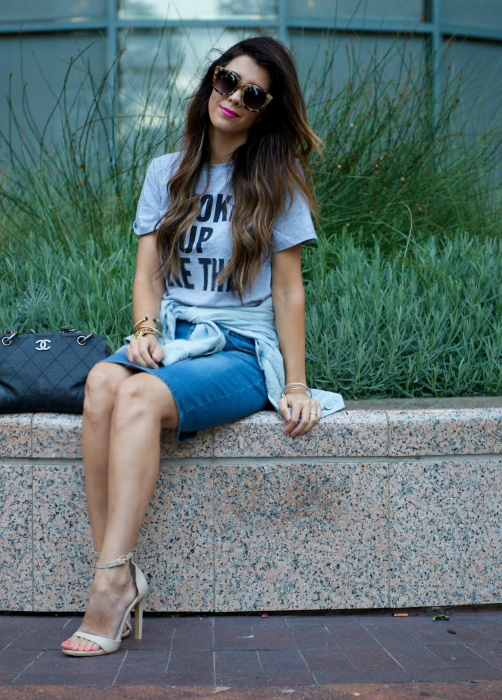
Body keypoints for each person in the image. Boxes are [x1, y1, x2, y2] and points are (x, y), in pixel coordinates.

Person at [61, 36, 344, 657]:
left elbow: (289, 292)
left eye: (253, 94)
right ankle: (115, 568)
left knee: (135, 400)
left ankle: (109, 589)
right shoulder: (167, 171)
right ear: (210, 83)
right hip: (177, 336)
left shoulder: (277, 180)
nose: (235, 99)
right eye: (227, 81)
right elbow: (148, 274)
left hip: (241, 349)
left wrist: (295, 384)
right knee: (103, 382)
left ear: (266, 109)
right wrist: (144, 332)